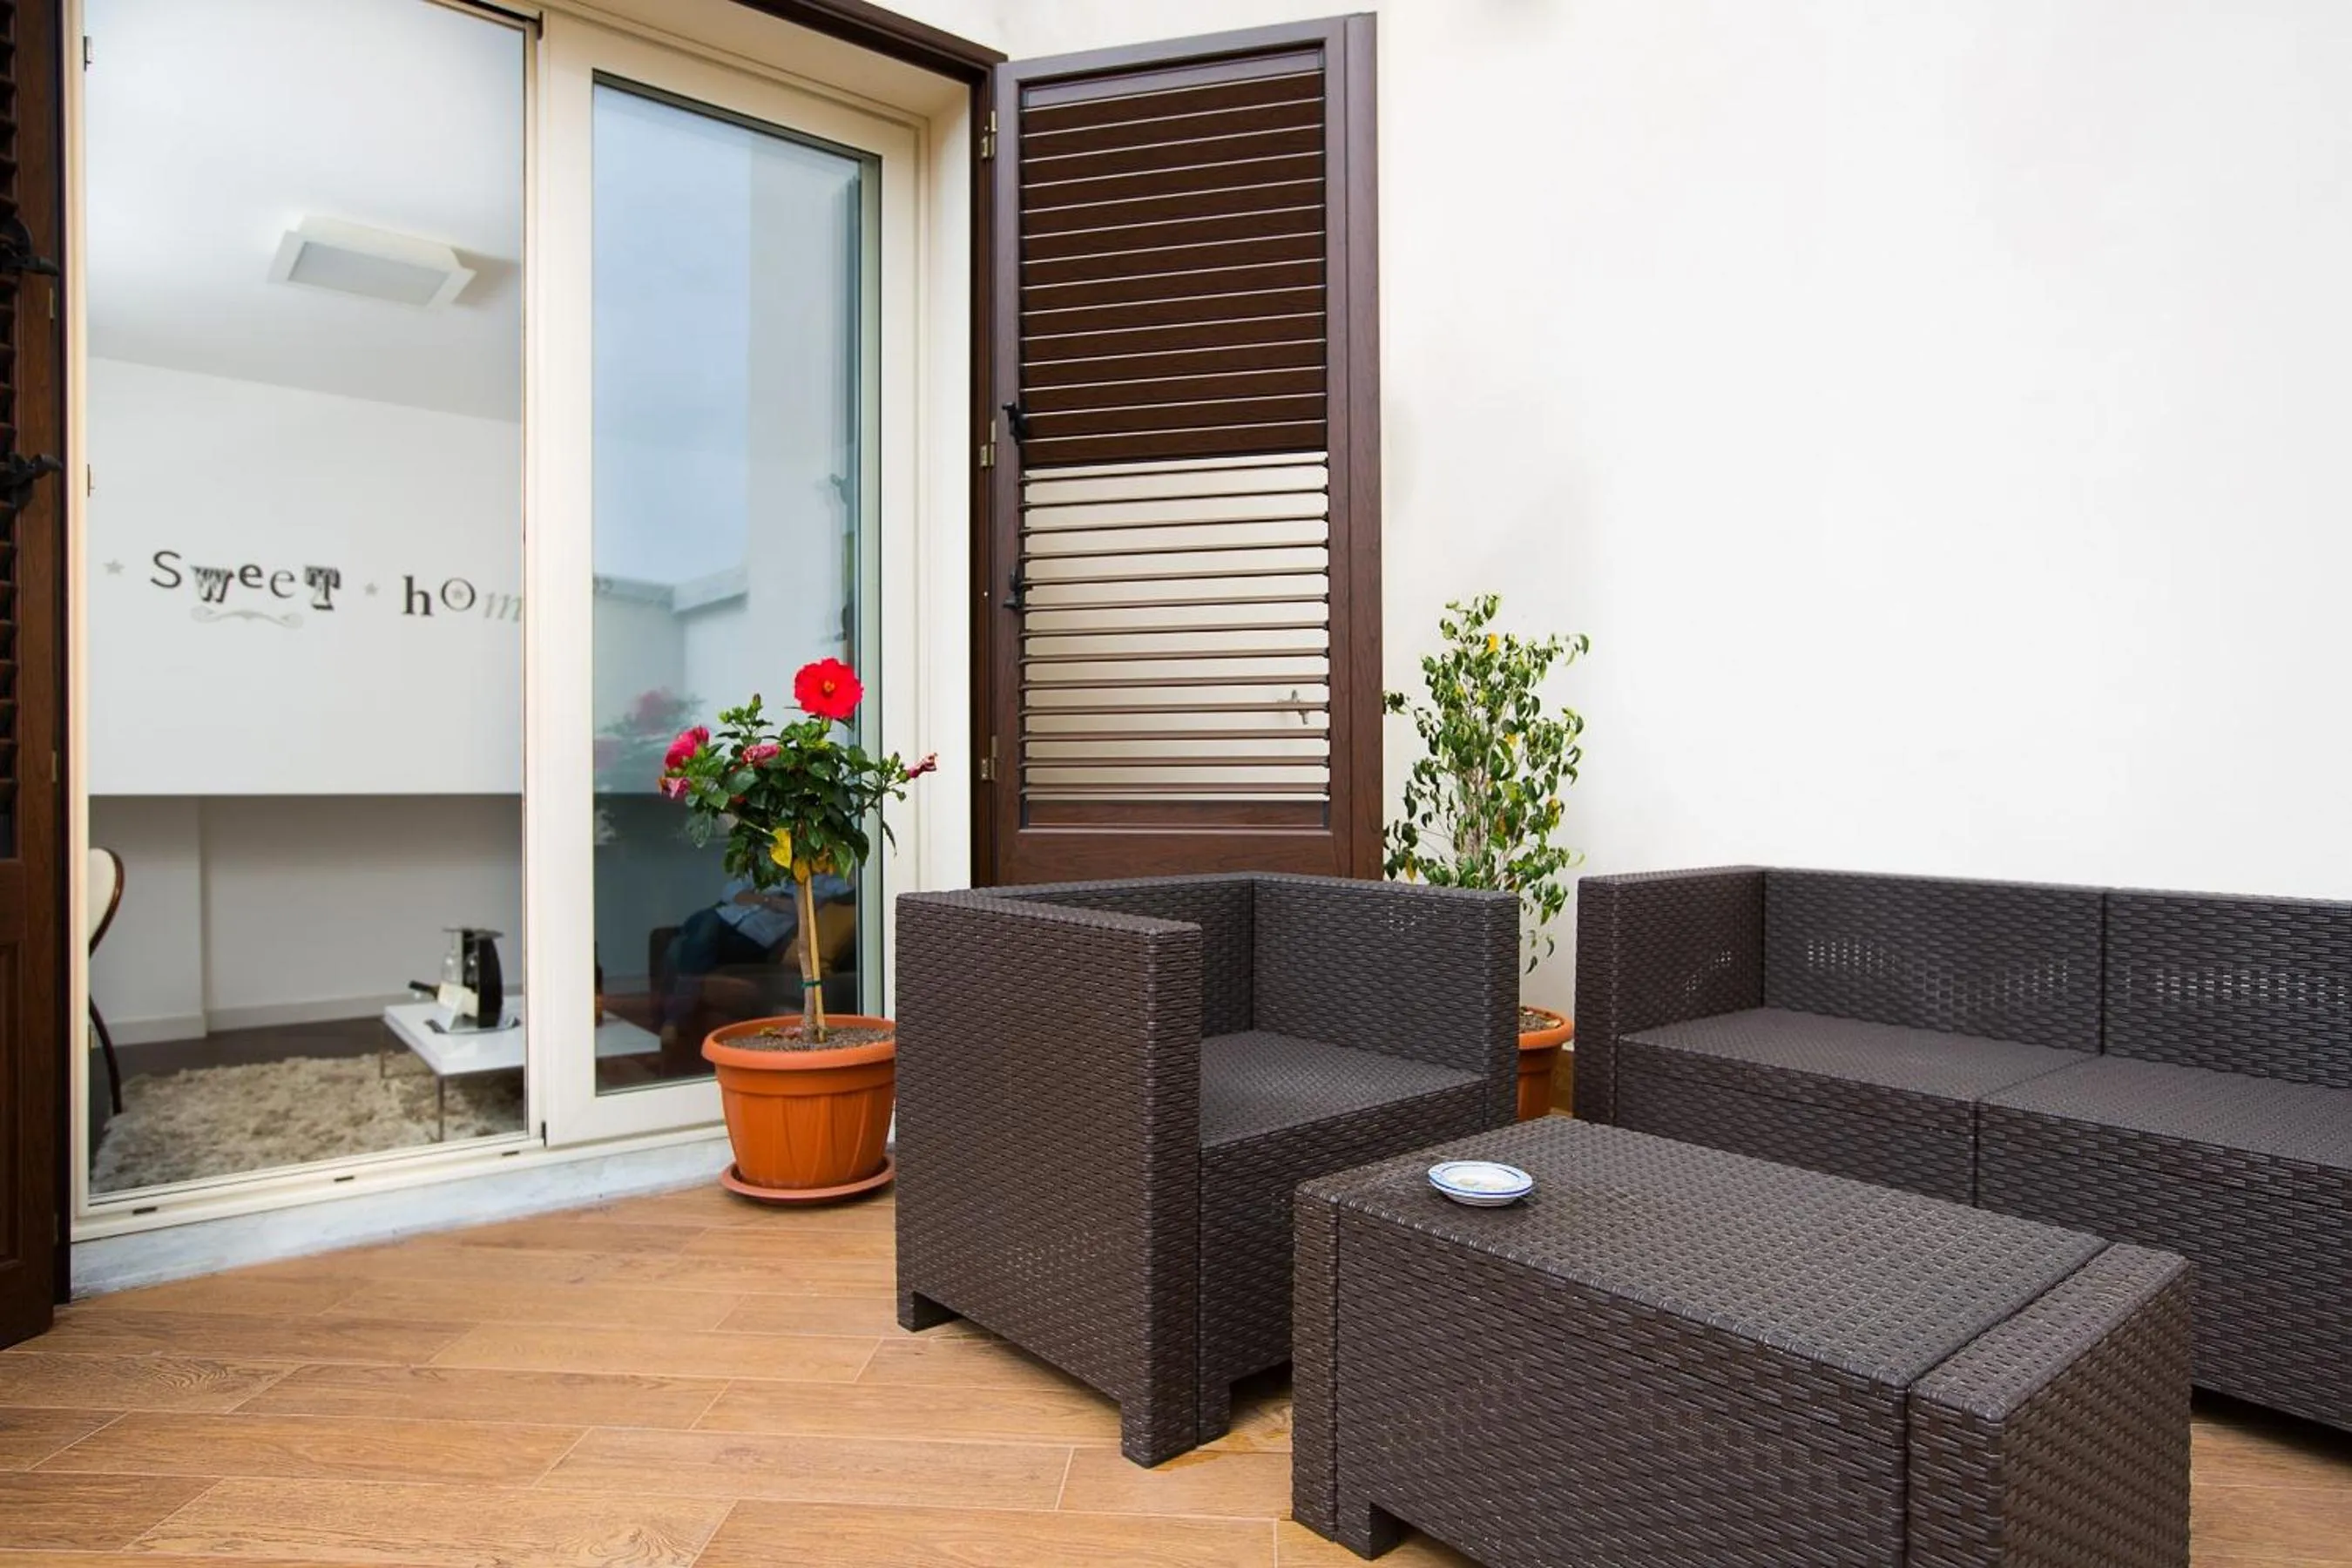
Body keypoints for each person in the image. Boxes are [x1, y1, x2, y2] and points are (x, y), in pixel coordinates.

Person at [659, 872, 849, 1047]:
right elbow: (731, 891)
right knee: (697, 937)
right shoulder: (770, 866)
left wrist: (758, 898)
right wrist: (768, 900)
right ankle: (674, 1020)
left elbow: (838, 895)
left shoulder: (827, 882)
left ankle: (672, 1019)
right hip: (720, 917)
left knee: (681, 947)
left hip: (753, 938)